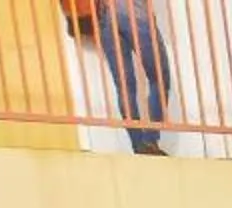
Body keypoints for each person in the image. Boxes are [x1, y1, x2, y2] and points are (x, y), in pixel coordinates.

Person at [62, 0, 172, 155]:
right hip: (134, 12)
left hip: (104, 16)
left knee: (125, 87)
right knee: (159, 77)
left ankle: (138, 145)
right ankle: (150, 141)